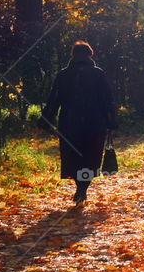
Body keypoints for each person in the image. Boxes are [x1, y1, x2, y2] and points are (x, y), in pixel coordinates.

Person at [37, 41, 118, 205]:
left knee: (72, 157)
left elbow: (54, 100)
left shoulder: (63, 75)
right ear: (90, 54)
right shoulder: (98, 74)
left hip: (69, 124)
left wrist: (44, 121)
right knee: (91, 157)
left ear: (73, 55)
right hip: (95, 124)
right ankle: (82, 189)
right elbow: (107, 100)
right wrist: (112, 123)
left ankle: (80, 188)